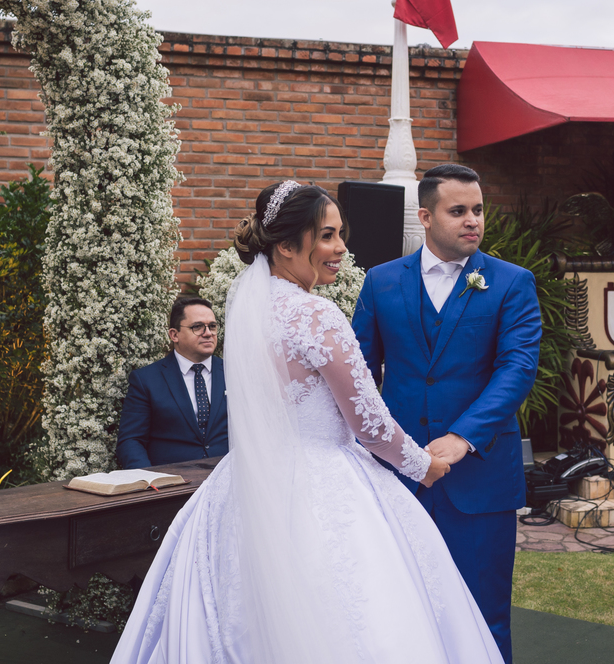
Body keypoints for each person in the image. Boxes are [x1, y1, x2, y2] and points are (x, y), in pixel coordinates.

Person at [110, 181, 504, 664]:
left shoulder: (249, 306)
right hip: (325, 481)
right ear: (286, 246)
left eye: (341, 235)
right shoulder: (317, 314)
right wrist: (422, 464)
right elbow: (369, 424)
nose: (341, 249)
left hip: (247, 481)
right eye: (326, 237)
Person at [352, 163, 542, 663]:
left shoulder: (511, 282)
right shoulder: (381, 282)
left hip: (480, 478)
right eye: (458, 211)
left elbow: (517, 370)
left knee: (483, 609)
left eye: (477, 210)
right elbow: (357, 376)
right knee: (401, 603)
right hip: (398, 475)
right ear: (425, 216)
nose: (472, 220)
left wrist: (464, 437)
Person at [116, 295, 228, 468]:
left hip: (228, 479)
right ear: (174, 335)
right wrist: (149, 482)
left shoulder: (233, 373)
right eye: (197, 327)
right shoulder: (146, 380)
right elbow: (131, 440)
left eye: (212, 326)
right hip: (172, 484)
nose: (208, 333)